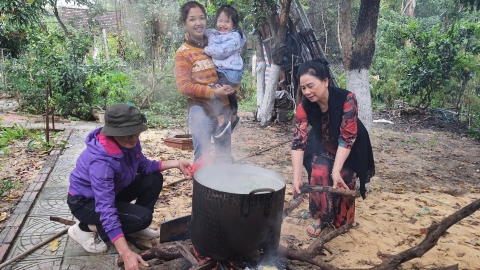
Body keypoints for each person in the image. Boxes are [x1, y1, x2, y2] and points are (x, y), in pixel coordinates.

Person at [67, 103, 192, 270]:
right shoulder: (101, 163)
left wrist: (177, 163)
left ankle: (134, 226)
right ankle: (82, 228)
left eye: (136, 133)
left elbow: (145, 166)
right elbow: (106, 208)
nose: (133, 138)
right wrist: (126, 253)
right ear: (112, 133)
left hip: (114, 189)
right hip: (85, 202)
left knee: (154, 178)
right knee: (143, 217)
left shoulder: (130, 144)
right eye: (127, 134)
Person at [291, 60, 375, 238]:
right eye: (303, 88)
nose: (307, 92)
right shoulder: (304, 106)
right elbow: (298, 142)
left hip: (350, 145)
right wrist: (296, 178)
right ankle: (318, 218)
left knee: (345, 176)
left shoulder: (347, 99)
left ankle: (344, 220)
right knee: (318, 171)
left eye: (311, 86)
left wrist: (336, 170)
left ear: (326, 81)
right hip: (323, 142)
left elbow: (347, 138)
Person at [175, 1, 236, 161]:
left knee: (224, 157)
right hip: (200, 111)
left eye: (201, 18)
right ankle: (201, 187)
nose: (198, 23)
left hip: (223, 108)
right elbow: (183, 86)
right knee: (203, 158)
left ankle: (223, 186)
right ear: (184, 23)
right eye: (192, 19)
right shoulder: (183, 53)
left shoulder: (219, 45)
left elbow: (232, 69)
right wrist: (213, 93)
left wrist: (234, 87)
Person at [204, 4, 246, 138]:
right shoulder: (219, 33)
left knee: (213, 91)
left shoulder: (233, 38)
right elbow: (208, 32)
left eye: (227, 21)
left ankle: (221, 121)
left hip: (230, 73)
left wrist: (206, 50)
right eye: (220, 20)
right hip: (226, 72)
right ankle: (234, 117)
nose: (222, 24)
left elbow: (221, 52)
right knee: (229, 92)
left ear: (234, 24)